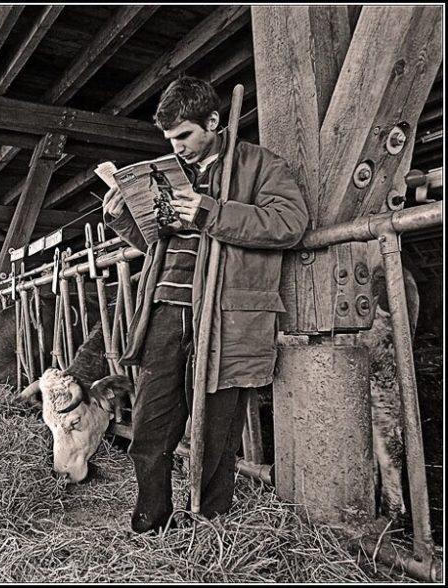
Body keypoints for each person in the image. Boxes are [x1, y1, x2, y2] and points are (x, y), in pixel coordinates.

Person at [103, 76, 309, 534]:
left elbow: (289, 223)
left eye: (184, 136)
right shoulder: (173, 172)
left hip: (227, 315)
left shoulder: (259, 166)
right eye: (169, 140)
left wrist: (207, 211)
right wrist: (123, 215)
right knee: (151, 422)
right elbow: (154, 242)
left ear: (213, 121)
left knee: (217, 429)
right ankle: (151, 519)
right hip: (163, 310)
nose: (177, 148)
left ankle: (211, 526)